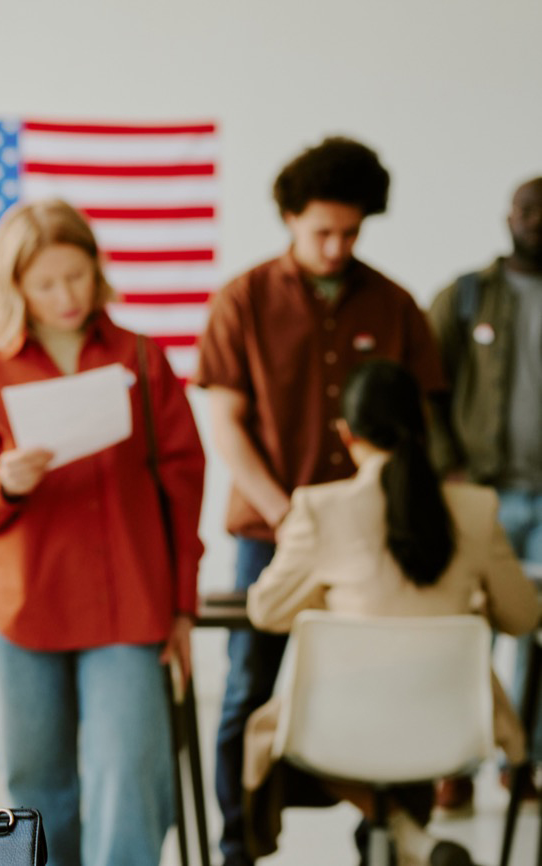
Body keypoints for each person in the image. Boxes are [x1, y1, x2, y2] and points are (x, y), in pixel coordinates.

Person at [195, 136, 446, 866]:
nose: (337, 246)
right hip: (270, 535)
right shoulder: (240, 300)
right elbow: (227, 428)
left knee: (384, 683)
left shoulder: (396, 306)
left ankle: (388, 835)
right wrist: (288, 514)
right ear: (289, 218)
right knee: (249, 685)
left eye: (351, 232)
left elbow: (419, 431)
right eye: (322, 232)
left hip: (377, 539)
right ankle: (240, 842)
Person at [0, 199, 206, 866]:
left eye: (78, 276)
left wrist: (183, 606)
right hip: (26, 609)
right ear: (16, 290)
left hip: (132, 606)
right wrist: (7, 484)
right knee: (39, 786)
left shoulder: (145, 362)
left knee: (131, 774)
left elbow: (183, 490)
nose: (66, 296)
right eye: (46, 284)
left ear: (98, 271)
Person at [239, 359, 539, 866]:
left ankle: (401, 832)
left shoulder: (319, 509)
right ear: (423, 424)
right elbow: (524, 618)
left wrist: (323, 599)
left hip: (338, 729)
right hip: (448, 724)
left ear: (345, 432)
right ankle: (411, 837)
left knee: (268, 730)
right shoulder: (476, 509)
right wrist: (475, 605)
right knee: (397, 741)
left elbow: (266, 611)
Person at [427, 176, 542, 809]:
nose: (537, 220)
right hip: (479, 497)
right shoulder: (466, 298)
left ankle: (521, 762)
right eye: (528, 209)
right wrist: (450, 471)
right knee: (465, 628)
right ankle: (454, 762)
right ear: (508, 216)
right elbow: (425, 388)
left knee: (534, 636)